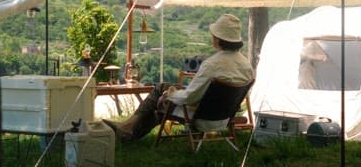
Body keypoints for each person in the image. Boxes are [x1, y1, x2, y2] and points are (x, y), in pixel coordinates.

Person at [103, 13, 255, 142]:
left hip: (201, 117)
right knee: (160, 106)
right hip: (223, 118)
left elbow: (188, 98)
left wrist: (171, 94)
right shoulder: (247, 67)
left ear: (218, 38)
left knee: (161, 92)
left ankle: (126, 128)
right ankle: (128, 133)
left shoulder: (212, 65)